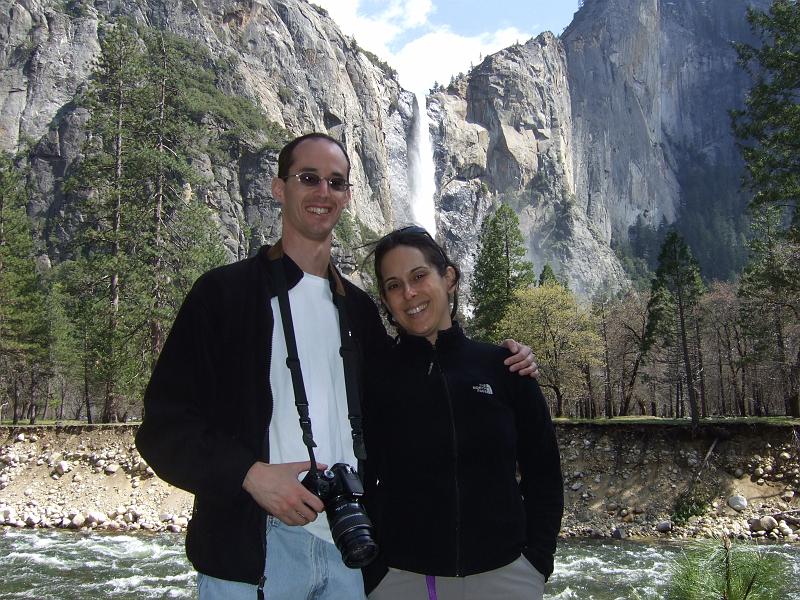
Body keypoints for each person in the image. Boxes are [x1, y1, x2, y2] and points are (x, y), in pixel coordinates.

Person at [135, 132, 539, 600]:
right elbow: (162, 428)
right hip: (250, 553)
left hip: (350, 553)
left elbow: (423, 384)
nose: (323, 192)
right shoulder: (223, 295)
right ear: (278, 187)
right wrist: (250, 474)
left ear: (347, 197)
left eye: (336, 182)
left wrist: (500, 360)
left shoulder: (361, 312)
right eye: (309, 178)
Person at [363, 226, 563, 600]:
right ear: (386, 300)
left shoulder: (505, 367)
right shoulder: (374, 378)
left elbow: (544, 473)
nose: (409, 294)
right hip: (402, 579)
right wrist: (376, 573)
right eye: (394, 285)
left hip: (507, 575)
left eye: (419, 276)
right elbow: (360, 473)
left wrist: (537, 561)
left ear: (449, 277)